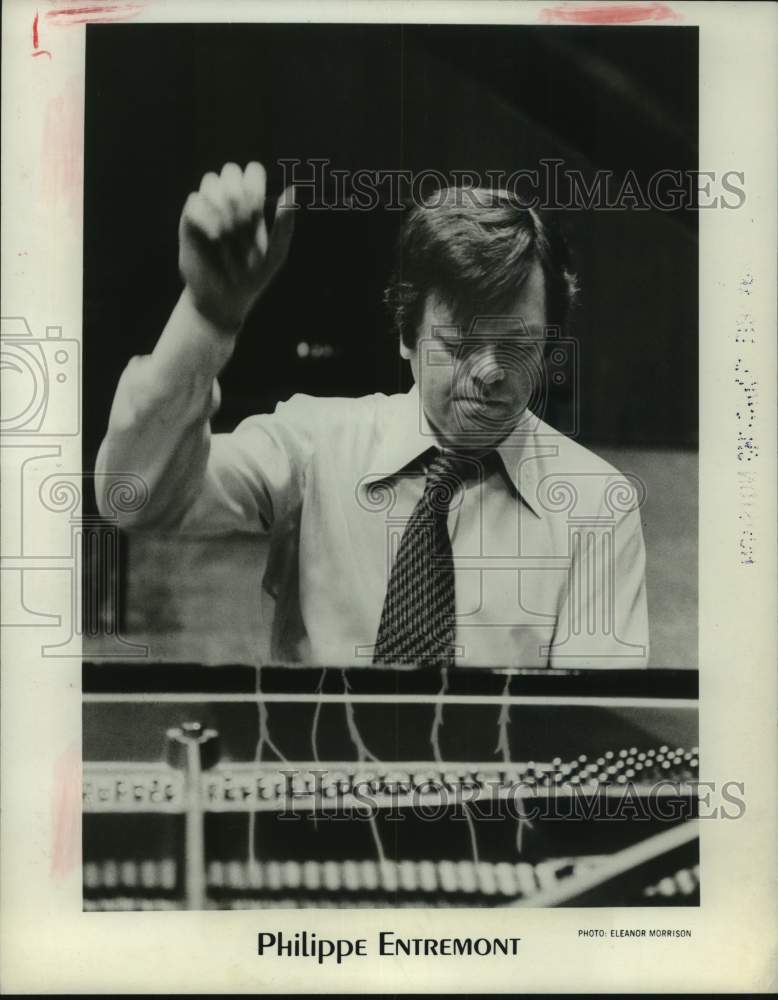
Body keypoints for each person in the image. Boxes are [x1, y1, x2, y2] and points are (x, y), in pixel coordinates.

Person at [96, 161, 649, 668]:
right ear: (406, 337)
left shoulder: (596, 505)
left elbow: (588, 724)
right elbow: (137, 500)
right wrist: (205, 317)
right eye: (457, 344)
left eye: (517, 344)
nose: (489, 372)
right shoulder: (315, 446)